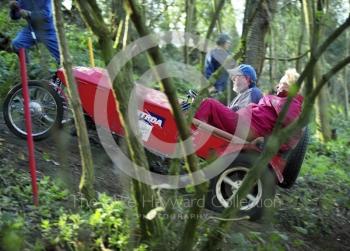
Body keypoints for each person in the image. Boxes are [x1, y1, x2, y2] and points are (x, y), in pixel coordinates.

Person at [194, 68, 303, 141]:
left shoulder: (291, 103)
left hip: (248, 127)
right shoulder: (283, 100)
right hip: (245, 123)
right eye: (279, 83)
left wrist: (266, 142)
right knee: (202, 102)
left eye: (283, 83)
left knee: (210, 103)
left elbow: (294, 129)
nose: (278, 86)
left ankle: (191, 135)